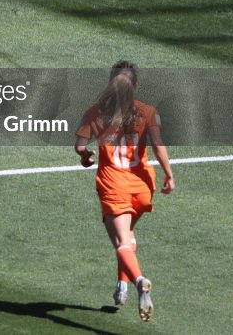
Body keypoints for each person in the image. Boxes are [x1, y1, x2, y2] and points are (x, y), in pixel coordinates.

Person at [74, 61, 175, 322]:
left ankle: (140, 281)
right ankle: (122, 286)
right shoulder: (147, 111)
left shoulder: (95, 113)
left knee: (122, 243)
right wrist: (169, 174)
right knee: (128, 237)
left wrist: (86, 157)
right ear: (136, 86)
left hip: (113, 185)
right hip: (142, 187)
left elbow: (80, 147)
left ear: (110, 84)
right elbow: (158, 146)